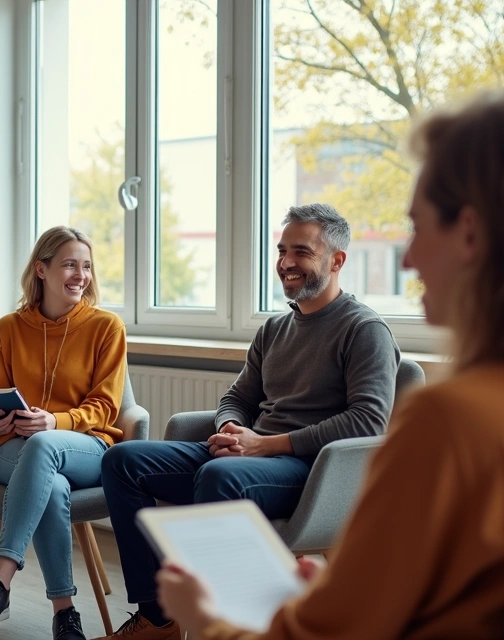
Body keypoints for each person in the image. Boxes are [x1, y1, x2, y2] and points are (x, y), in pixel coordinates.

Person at [155, 88, 504, 639]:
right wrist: (336, 597)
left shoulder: (455, 422)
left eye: (417, 226)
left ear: (471, 233)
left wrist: (209, 619)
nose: (408, 259)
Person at [97, 204, 400, 640]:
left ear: (337, 261)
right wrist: (230, 429)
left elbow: (368, 423)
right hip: (251, 455)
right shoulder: (274, 329)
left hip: (313, 470)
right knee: (123, 460)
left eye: (302, 251)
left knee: (221, 476)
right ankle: (160, 618)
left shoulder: (364, 329)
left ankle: (222, 626)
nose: (286, 263)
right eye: (281, 251)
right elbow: (237, 398)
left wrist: (265, 445)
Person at [0, 226, 129, 640]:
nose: (81, 275)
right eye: (70, 264)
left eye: (86, 266)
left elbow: (107, 406)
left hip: (85, 447)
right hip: (14, 450)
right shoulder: (10, 327)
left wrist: (55, 422)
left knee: (44, 444)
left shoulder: (107, 327)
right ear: (42, 269)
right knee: (50, 486)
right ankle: (65, 612)